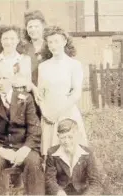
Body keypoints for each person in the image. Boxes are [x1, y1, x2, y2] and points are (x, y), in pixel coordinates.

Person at [0, 72, 44, 195]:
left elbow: (34, 129)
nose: (1, 82)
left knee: (34, 162)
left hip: (23, 146)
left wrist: (25, 149)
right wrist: (2, 151)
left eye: (4, 77)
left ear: (12, 80)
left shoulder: (26, 98)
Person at [31, 26, 88, 157]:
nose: (53, 45)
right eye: (50, 42)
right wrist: (45, 112)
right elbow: (41, 94)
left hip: (67, 113)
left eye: (56, 41)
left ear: (64, 41)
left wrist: (58, 113)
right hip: (48, 116)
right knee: (52, 155)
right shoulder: (43, 66)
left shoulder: (74, 65)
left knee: (71, 153)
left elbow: (76, 93)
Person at [45, 118, 102, 195]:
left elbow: (95, 182)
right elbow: (50, 179)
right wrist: (58, 192)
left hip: (82, 193)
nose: (66, 141)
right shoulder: (52, 153)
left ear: (77, 135)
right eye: (63, 138)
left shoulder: (87, 153)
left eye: (70, 137)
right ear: (58, 136)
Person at [0, 25, 32, 93]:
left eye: (12, 38)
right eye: (5, 38)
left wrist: (21, 84)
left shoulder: (26, 59)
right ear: (1, 40)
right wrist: (0, 86)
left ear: (18, 40)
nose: (8, 42)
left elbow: (29, 87)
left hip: (20, 101)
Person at [23, 10, 47, 86]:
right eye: (30, 27)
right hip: (29, 90)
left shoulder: (49, 46)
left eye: (36, 26)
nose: (33, 29)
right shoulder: (23, 48)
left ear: (43, 26)